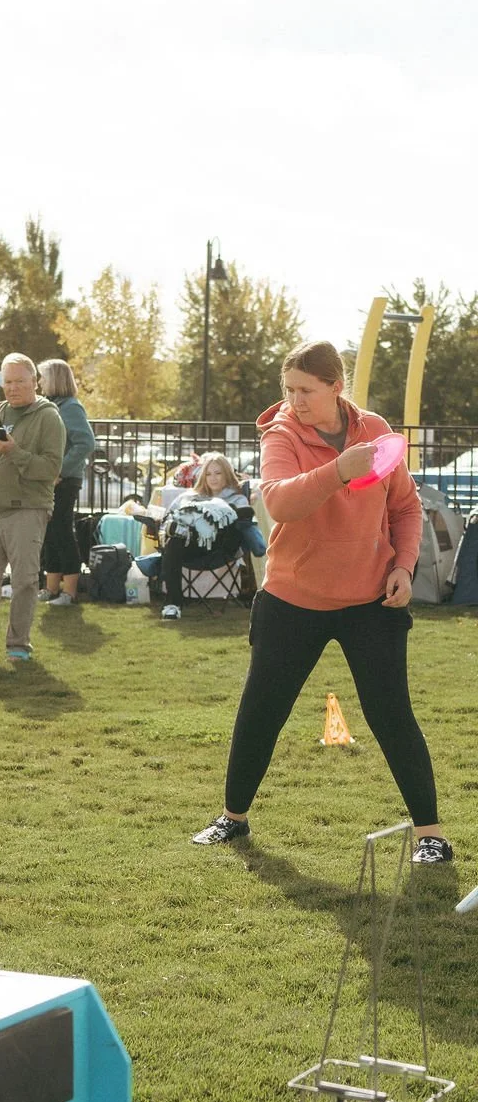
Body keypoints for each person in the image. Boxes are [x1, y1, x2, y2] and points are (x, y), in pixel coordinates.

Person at [192, 340, 453, 865]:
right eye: (288, 390)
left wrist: (403, 566)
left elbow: (404, 506)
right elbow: (280, 501)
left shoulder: (376, 432)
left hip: (371, 599)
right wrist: (339, 470)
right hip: (293, 598)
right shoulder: (282, 433)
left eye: (306, 391)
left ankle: (432, 835)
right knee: (263, 710)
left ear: (336, 387)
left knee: (392, 714)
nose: (295, 400)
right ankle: (233, 818)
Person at [0, 353, 66, 662]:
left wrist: (15, 452)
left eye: (19, 382)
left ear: (34, 382)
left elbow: (50, 469)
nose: (11, 388)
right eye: (7, 381)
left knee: (24, 581)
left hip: (26, 510)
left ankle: (18, 646)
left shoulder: (48, 417)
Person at [157, 452, 262, 621]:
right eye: (208, 474)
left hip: (220, 549)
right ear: (203, 477)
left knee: (237, 513)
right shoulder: (188, 496)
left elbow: (245, 527)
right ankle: (173, 604)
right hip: (192, 546)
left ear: (227, 474)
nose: (213, 478)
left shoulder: (237, 498)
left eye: (218, 473)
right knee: (174, 542)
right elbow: (167, 520)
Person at [35, 358, 97, 606]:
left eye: (43, 377)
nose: (39, 382)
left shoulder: (70, 407)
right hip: (52, 480)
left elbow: (86, 443)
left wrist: (58, 471)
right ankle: (51, 589)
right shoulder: (51, 406)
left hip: (65, 480)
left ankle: (69, 592)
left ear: (56, 380)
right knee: (50, 533)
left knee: (62, 532)